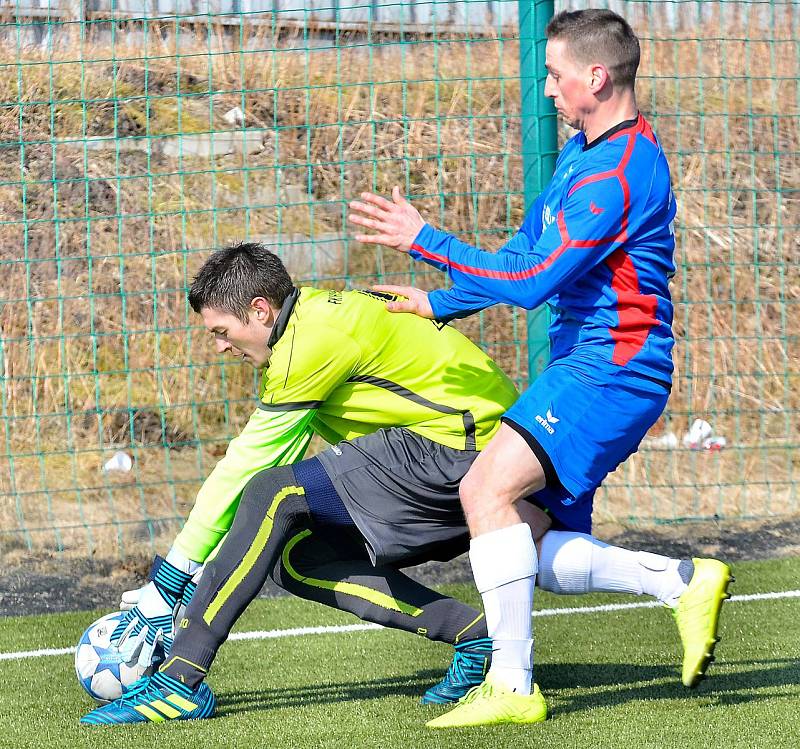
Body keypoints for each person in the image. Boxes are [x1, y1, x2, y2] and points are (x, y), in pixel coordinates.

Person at [83, 242, 726, 728]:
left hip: (460, 446)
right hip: (474, 448)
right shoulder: (313, 325)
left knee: (272, 496)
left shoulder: (310, 341)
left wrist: (169, 586)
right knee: (293, 554)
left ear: (259, 309)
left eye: (222, 332)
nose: (219, 347)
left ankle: (182, 678)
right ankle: (650, 587)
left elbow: (246, 468)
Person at [348, 8, 732, 728]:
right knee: (527, 538)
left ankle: (512, 683)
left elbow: (533, 283)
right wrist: (440, 301)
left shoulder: (617, 172)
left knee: (484, 489)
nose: (548, 90)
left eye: (555, 75)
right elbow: (525, 252)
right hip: (591, 366)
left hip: (612, 370)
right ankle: (680, 582)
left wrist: (424, 238)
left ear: (596, 75)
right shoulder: (583, 155)